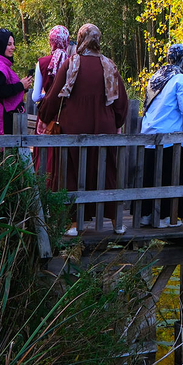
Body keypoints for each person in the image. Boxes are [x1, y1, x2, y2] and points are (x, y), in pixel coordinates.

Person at [39, 23, 129, 235]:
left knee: (72, 171)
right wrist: (117, 122)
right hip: (104, 127)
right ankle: (117, 222)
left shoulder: (71, 64)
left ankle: (73, 223)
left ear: (80, 39)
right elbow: (121, 102)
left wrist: (44, 116)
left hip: (74, 126)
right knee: (106, 171)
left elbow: (53, 97)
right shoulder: (109, 65)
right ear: (98, 40)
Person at [140, 43, 183, 227]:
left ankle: (145, 216)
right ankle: (165, 219)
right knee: (169, 175)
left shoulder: (156, 76)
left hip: (148, 133)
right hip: (168, 136)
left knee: (150, 176)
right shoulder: (180, 79)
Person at [0, 28, 33, 136]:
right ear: (0, 44)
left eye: (13, 44)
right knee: (1, 152)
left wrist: (23, 87)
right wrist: (20, 86)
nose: (13, 47)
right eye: (9, 44)